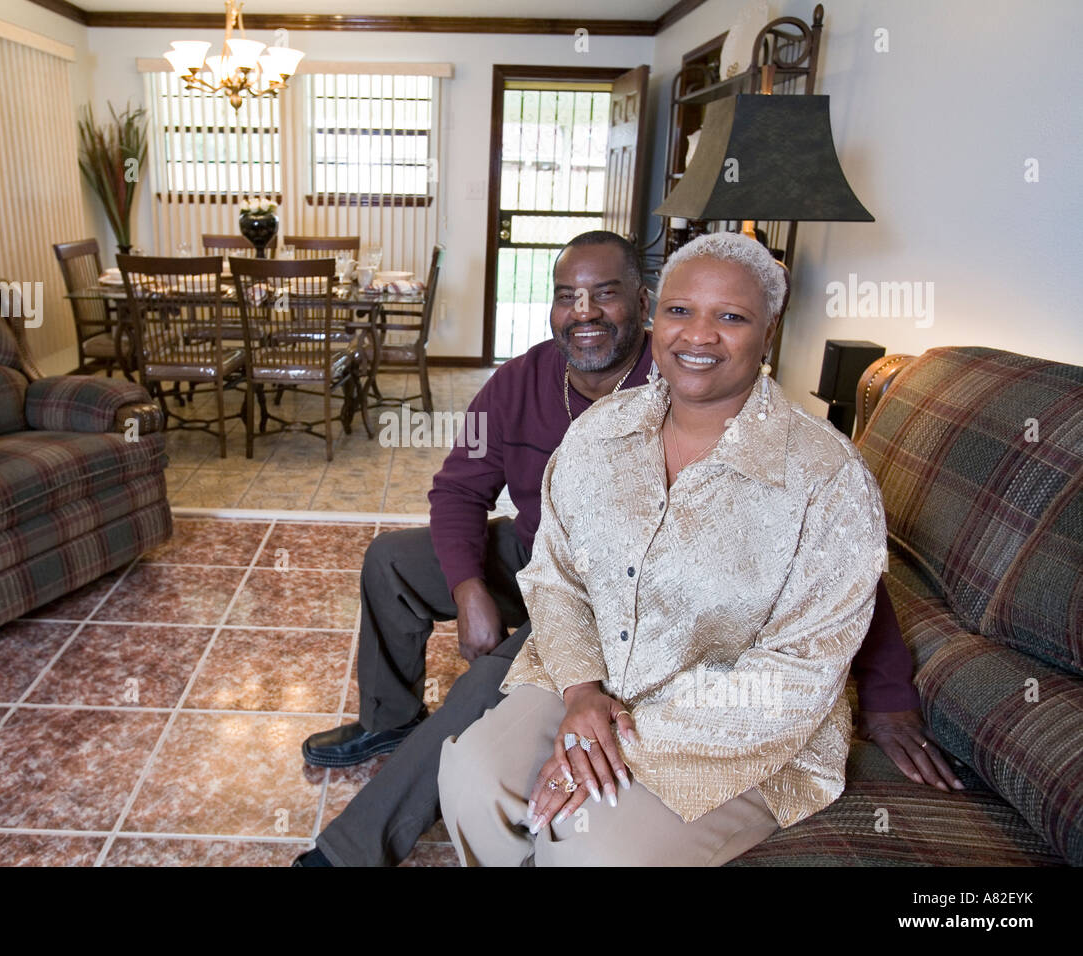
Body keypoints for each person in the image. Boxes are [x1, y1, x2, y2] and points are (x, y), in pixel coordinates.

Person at [294, 231, 955, 868]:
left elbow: (838, 586)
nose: (584, 313)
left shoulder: (791, 452)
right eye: (566, 296)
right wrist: (469, 587)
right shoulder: (524, 382)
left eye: (605, 295)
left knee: (483, 696)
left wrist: (890, 693)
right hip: (548, 564)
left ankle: (350, 850)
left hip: (641, 618)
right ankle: (388, 716)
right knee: (394, 561)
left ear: (638, 307)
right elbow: (465, 493)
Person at [437, 232, 889, 865]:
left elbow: (797, 674)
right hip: (586, 680)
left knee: (588, 848)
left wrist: (617, 742)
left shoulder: (826, 479)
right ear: (656, 317)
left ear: (770, 329)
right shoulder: (600, 431)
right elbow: (557, 577)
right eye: (680, 311)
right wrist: (582, 695)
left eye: (730, 317)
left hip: (737, 735)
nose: (698, 335)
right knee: (472, 778)